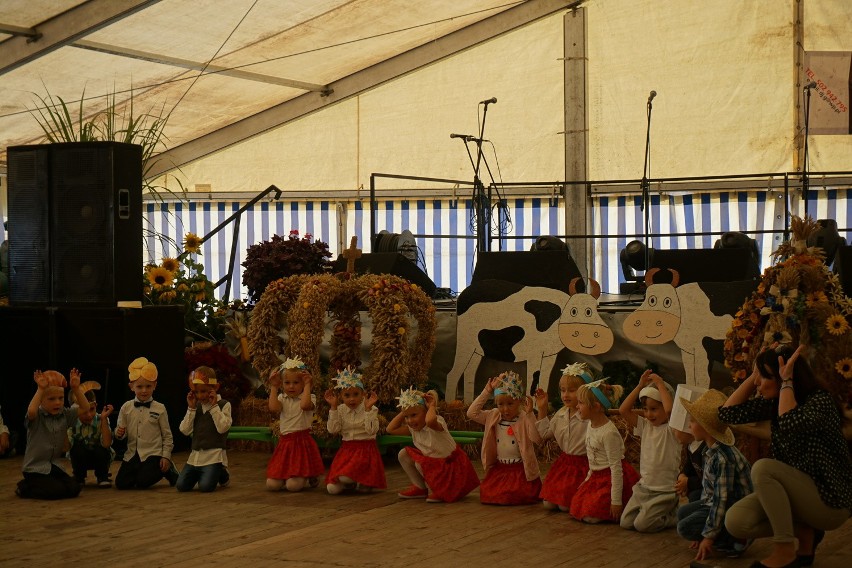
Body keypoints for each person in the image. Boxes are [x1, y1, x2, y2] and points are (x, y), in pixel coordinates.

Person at [720, 344, 852, 568]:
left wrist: (787, 381)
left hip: (831, 501)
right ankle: (805, 531)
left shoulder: (820, 402)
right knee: (736, 521)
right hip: (798, 495)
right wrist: (754, 375)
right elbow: (727, 413)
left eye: (764, 377)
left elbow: (789, 421)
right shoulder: (775, 402)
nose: (759, 385)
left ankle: (784, 550)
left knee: (763, 468)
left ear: (784, 378)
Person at [676, 389, 753, 561]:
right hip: (721, 503)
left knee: (684, 528)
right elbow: (709, 491)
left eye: (693, 421)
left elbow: (721, 500)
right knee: (682, 514)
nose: (689, 425)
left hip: (736, 508)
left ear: (706, 428)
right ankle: (720, 534)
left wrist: (708, 535)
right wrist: (700, 534)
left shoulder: (723, 458)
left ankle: (736, 538)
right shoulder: (709, 450)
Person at [386, 386, 479, 503]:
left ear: (426, 411)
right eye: (406, 417)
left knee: (421, 464)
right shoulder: (413, 428)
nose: (409, 421)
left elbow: (429, 421)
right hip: (433, 466)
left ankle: (436, 491)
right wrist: (404, 411)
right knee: (403, 454)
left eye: (414, 415)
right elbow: (390, 429)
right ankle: (420, 487)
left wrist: (432, 407)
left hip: (450, 466)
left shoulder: (436, 422)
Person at [618, 370, 682, 533]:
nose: (648, 414)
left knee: (642, 525)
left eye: (654, 409)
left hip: (665, 491)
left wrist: (660, 385)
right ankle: (652, 512)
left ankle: (675, 515)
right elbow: (623, 410)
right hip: (644, 488)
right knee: (625, 523)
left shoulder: (672, 429)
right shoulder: (645, 426)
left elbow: (670, 412)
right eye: (645, 409)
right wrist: (639, 386)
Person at [467, 371, 544, 505]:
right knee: (490, 494)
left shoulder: (524, 417)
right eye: (500, 404)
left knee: (514, 495)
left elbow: (537, 438)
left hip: (519, 470)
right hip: (500, 468)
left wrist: (531, 414)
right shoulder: (493, 416)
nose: (505, 409)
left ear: (519, 401)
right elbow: (471, 413)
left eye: (510, 404)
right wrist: (488, 391)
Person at [569, 379, 640, 523]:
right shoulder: (590, 425)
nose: (577, 406)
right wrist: (587, 480)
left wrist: (616, 501)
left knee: (591, 517)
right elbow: (592, 458)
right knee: (577, 508)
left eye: (581, 403)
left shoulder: (608, 433)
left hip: (612, 478)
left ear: (595, 407)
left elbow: (616, 468)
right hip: (597, 476)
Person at [16, 369, 89, 499]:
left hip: (53, 465)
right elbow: (31, 411)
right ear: (41, 401)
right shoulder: (38, 416)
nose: (57, 402)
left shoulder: (64, 414)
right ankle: (24, 486)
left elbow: (85, 408)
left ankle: (47, 483)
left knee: (74, 488)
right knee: (55, 492)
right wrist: (40, 389)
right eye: (51, 399)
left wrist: (76, 388)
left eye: (60, 398)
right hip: (35, 468)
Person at [114, 357, 179, 489]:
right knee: (122, 484)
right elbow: (119, 433)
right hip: (133, 453)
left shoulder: (160, 408)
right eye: (139, 386)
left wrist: (166, 456)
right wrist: (119, 433)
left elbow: (167, 436)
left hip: (153, 453)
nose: (144, 390)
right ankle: (141, 471)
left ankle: (168, 469)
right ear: (131, 387)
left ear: (154, 385)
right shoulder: (126, 408)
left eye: (148, 386)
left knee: (143, 482)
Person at [534, 362, 590, 511]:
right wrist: (542, 409)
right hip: (565, 465)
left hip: (583, 466)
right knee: (548, 504)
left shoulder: (589, 417)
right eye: (563, 390)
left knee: (565, 507)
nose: (565, 395)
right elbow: (544, 434)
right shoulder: (560, 415)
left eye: (571, 390)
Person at [323, 366, 386, 495]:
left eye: (356, 394)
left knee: (346, 478)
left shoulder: (370, 409)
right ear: (341, 396)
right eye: (347, 395)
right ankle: (350, 482)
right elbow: (333, 430)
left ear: (363, 394)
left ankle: (361, 480)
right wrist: (333, 408)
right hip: (347, 451)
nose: (351, 399)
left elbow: (371, 431)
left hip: (365, 450)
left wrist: (368, 410)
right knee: (332, 489)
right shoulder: (340, 409)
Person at [265, 357, 324, 491]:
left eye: (296, 382)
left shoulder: (310, 397)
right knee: (272, 485)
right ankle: (290, 476)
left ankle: (307, 475)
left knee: (292, 487)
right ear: (282, 384)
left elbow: (304, 406)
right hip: (285, 443)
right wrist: (274, 386)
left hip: (301, 442)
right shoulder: (282, 398)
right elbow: (273, 408)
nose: (291, 386)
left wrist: (308, 384)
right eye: (287, 382)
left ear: (303, 383)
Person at [176, 366, 233, 492]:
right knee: (181, 486)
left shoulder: (224, 405)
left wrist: (214, 407)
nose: (200, 396)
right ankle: (203, 473)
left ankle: (222, 472)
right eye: (196, 392)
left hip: (213, 455)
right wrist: (191, 409)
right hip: (195, 456)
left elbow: (223, 428)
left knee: (206, 487)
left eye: (204, 391)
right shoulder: (196, 406)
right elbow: (184, 430)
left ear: (215, 388)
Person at [67, 381, 115, 487]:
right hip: (80, 459)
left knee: (101, 448)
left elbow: (107, 444)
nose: (89, 415)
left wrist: (103, 420)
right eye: (83, 411)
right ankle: (79, 477)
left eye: (91, 409)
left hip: (99, 458)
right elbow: (67, 447)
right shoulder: (71, 422)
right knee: (76, 447)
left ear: (96, 405)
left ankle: (102, 476)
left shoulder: (100, 419)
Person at [674, 428, 706, 504]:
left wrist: (688, 482)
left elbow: (708, 479)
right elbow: (689, 465)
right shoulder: (690, 446)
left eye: (675, 430)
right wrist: (682, 475)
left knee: (694, 496)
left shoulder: (705, 449)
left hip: (707, 488)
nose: (673, 433)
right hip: (698, 484)